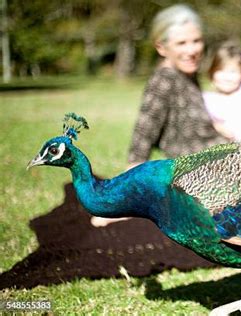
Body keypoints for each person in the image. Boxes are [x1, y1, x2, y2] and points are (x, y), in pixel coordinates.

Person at [92, 4, 229, 227]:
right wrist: (119, 202)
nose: (192, 50)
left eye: (196, 41)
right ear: (162, 48)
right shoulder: (163, 81)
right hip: (200, 175)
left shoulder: (187, 74)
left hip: (221, 159)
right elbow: (142, 137)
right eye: (182, 43)